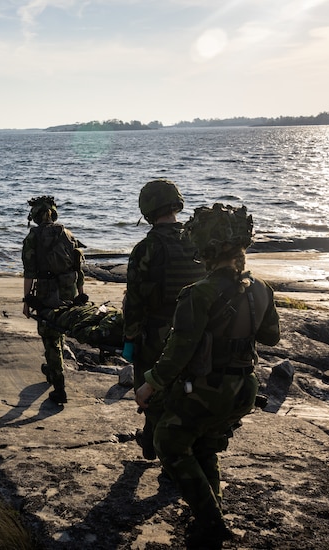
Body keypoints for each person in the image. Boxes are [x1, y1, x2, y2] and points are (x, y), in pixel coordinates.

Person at [134, 203, 280, 546]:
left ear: (205, 250)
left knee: (167, 442)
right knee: (204, 449)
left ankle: (211, 521)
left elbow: (178, 351)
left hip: (207, 390)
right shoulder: (261, 288)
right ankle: (207, 518)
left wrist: (149, 385)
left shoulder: (198, 293)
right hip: (243, 387)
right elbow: (271, 336)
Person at [122, 179, 206, 459]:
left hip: (157, 332)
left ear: (147, 209)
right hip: (195, 331)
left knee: (151, 391)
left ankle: (154, 445)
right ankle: (172, 445)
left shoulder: (146, 248)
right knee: (186, 391)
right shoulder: (198, 240)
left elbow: (134, 300)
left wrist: (130, 336)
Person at [21, 195, 85, 404]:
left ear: (35, 216)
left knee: (49, 338)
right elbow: (78, 266)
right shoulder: (67, 233)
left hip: (47, 293)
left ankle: (59, 388)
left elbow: (29, 272)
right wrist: (80, 293)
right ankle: (51, 368)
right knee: (58, 331)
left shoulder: (33, 237)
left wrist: (26, 300)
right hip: (69, 291)